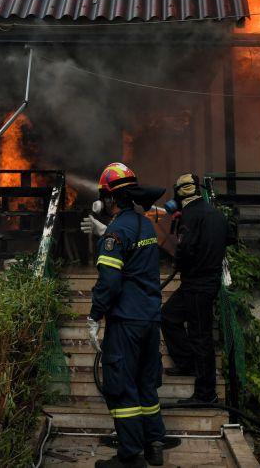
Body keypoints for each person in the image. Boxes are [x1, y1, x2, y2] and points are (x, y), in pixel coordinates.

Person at [86, 162, 168, 468]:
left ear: (109, 199)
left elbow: (109, 281)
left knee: (121, 386)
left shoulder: (117, 231)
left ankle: (130, 455)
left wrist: (94, 316)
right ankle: (154, 443)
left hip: (126, 321)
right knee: (146, 382)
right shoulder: (145, 224)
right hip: (150, 318)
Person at [160, 173, 227, 404]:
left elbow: (185, 249)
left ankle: (205, 394)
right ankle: (186, 363)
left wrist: (178, 260)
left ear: (179, 193)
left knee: (201, 337)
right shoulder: (214, 213)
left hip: (197, 285)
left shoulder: (190, 215)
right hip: (202, 282)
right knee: (168, 315)